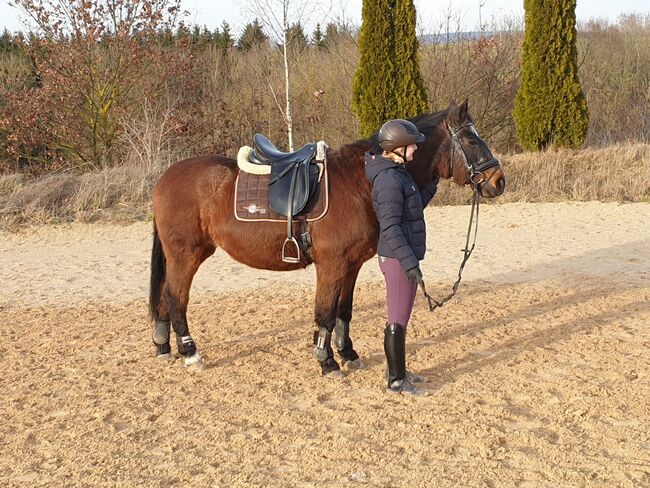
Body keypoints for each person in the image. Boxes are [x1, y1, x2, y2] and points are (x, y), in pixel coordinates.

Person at [364, 119, 439, 396]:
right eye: (411, 145)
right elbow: (391, 227)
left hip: (402, 255)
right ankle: (395, 381)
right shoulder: (387, 180)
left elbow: (412, 206)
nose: (415, 150)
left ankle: (398, 371)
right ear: (396, 148)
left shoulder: (398, 173)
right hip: (396, 258)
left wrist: (431, 186)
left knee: (403, 317)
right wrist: (409, 262)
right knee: (396, 318)